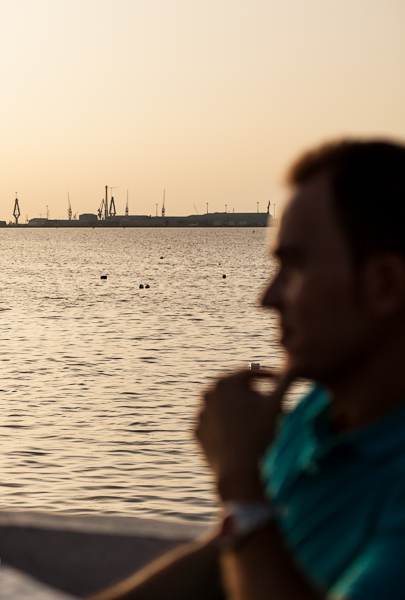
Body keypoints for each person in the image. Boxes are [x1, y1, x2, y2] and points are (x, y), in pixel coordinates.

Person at [91, 140, 405, 600]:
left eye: (294, 267)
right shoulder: (318, 413)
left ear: (385, 284)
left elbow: (246, 527)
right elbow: (223, 561)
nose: (267, 297)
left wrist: (240, 479)